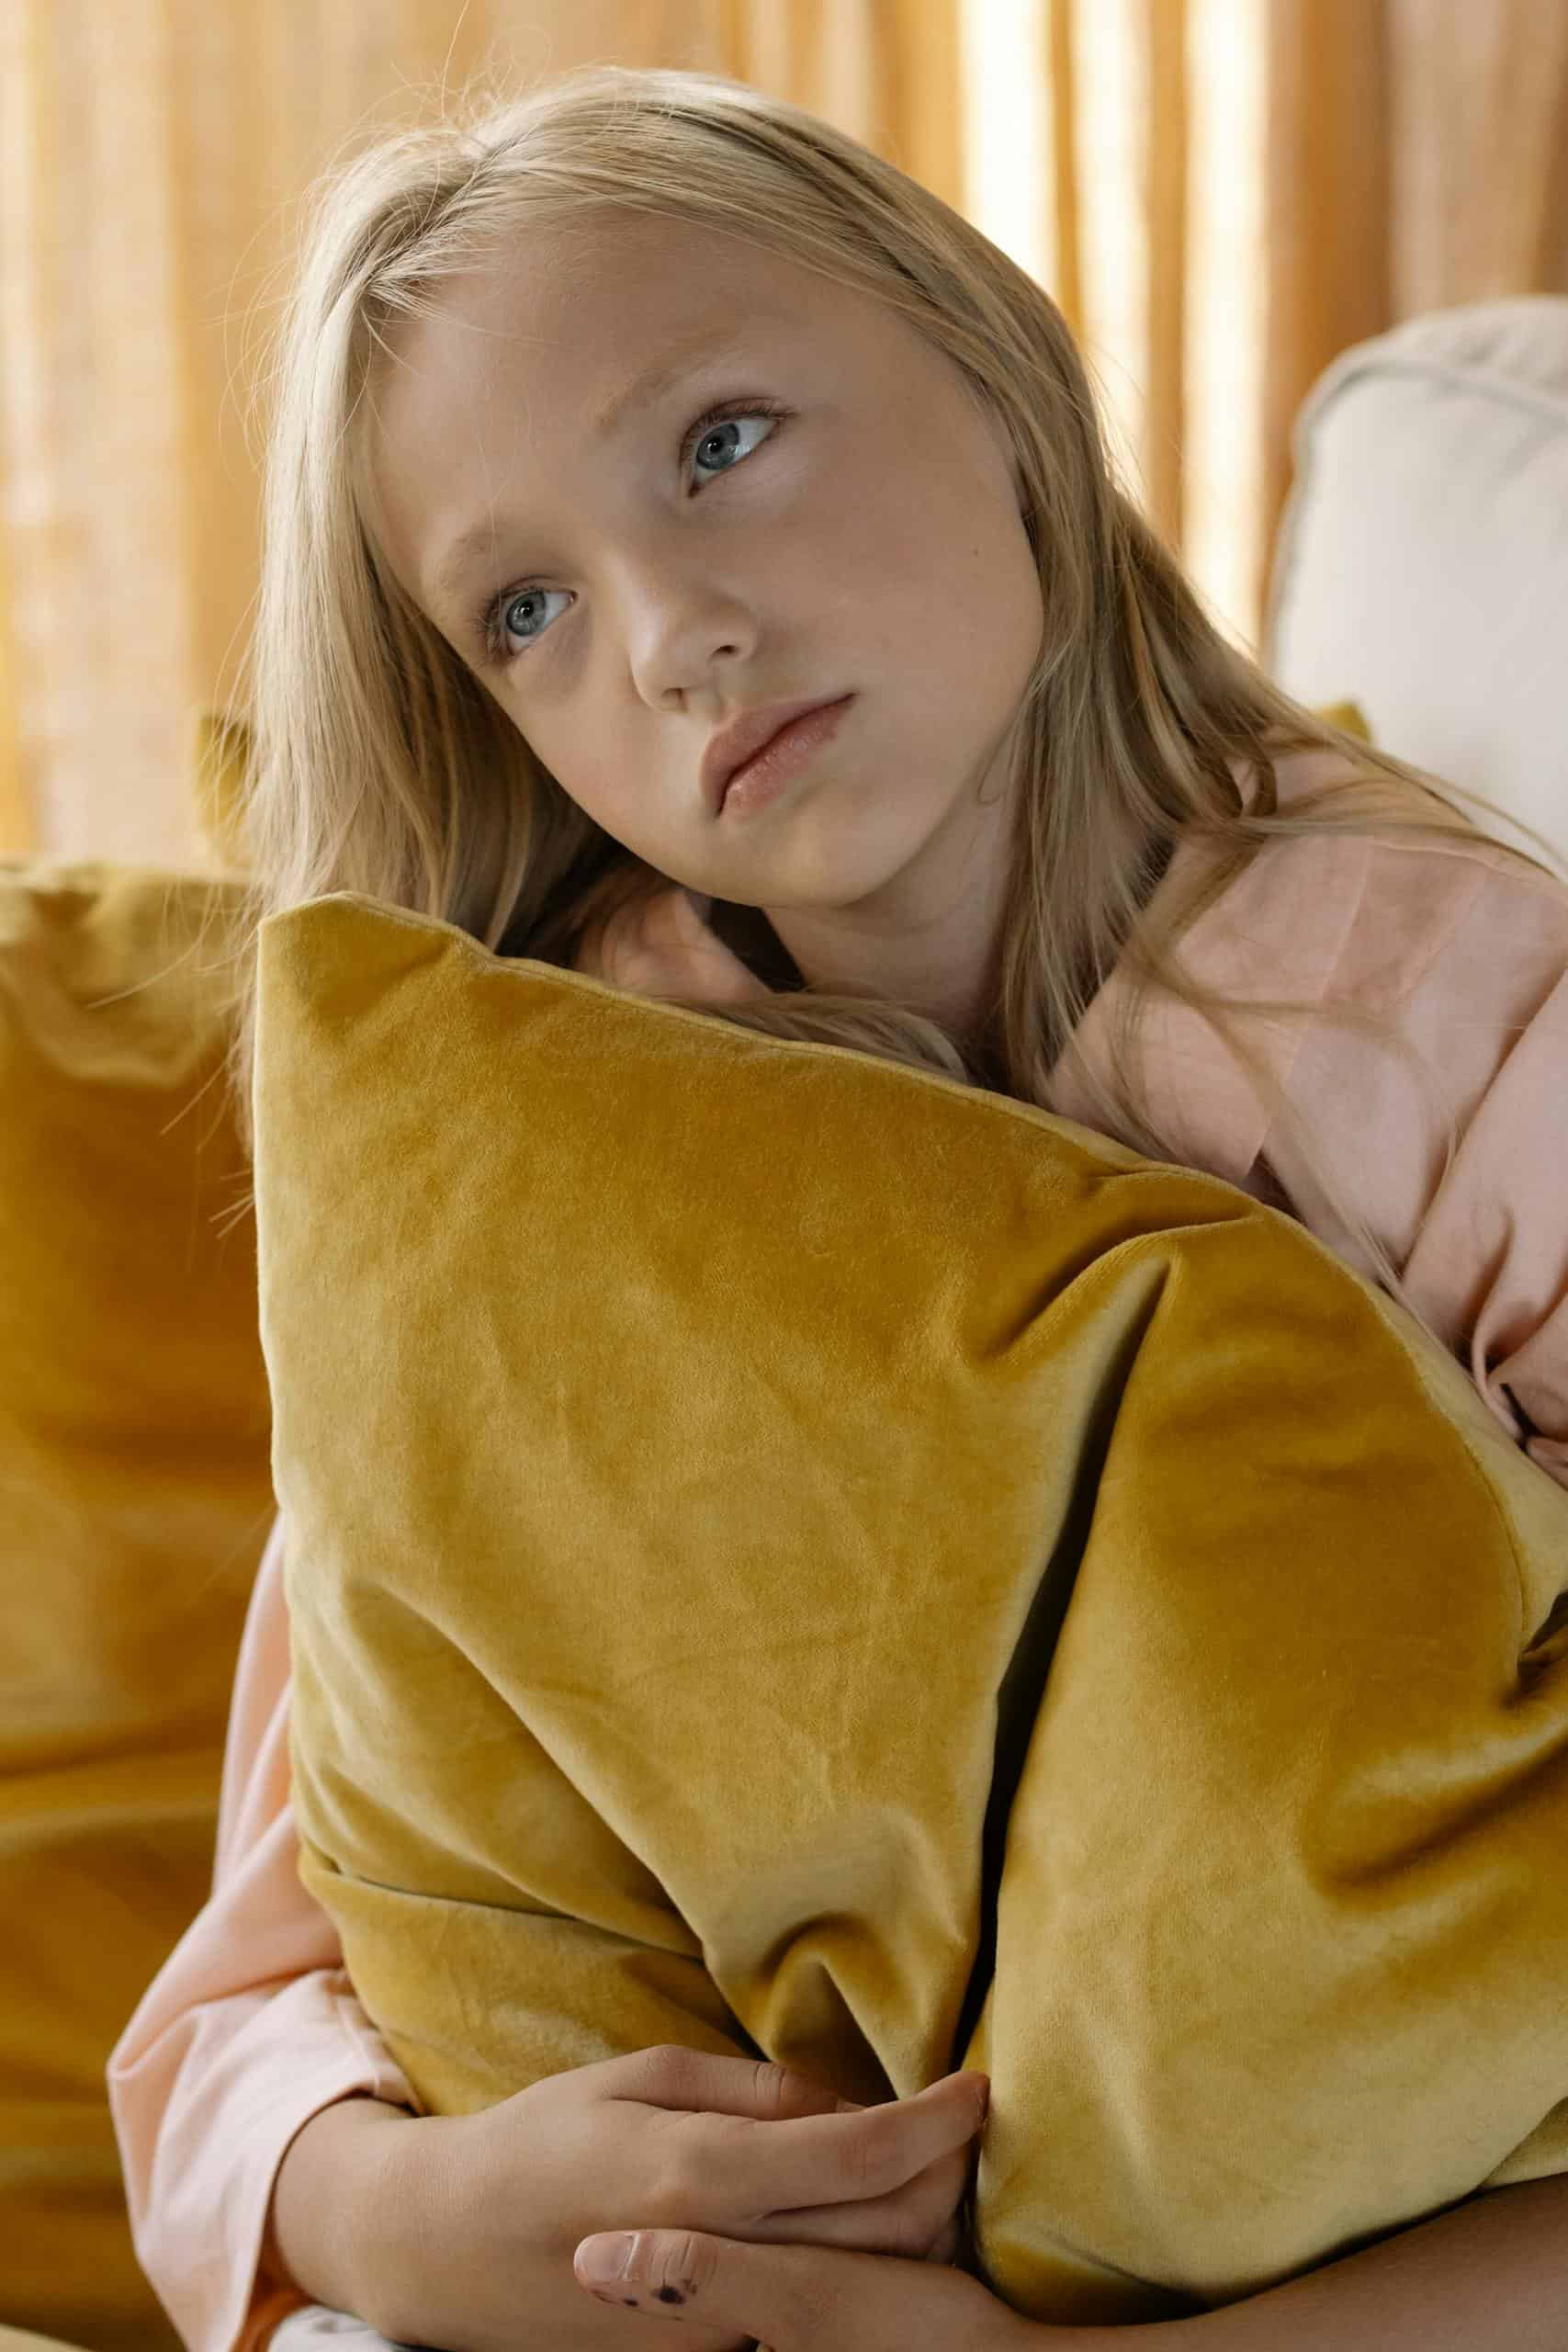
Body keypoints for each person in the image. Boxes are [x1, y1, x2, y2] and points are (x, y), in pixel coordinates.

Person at [108, 58, 1568, 2352]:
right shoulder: (536, 1132)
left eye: (717, 442)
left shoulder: (1452, 1013)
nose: (667, 632)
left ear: (989, 365)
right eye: (523, 607)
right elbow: (239, 2009)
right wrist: (406, 2206)